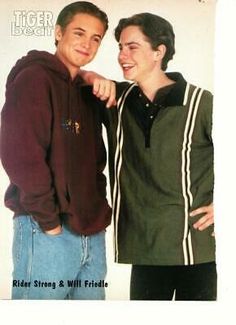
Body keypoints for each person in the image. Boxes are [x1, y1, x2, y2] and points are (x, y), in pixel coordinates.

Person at [87, 12, 216, 300]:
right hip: (143, 249)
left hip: (195, 248)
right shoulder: (116, 100)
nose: (122, 55)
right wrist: (93, 75)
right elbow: (73, 78)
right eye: (120, 47)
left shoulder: (201, 103)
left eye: (132, 47)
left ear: (160, 51)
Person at [0, 1, 114, 300]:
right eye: (79, 33)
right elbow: (21, 155)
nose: (87, 44)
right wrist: (49, 222)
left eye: (96, 38)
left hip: (92, 233)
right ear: (58, 32)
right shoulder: (34, 78)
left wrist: (92, 78)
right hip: (47, 230)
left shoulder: (88, 92)